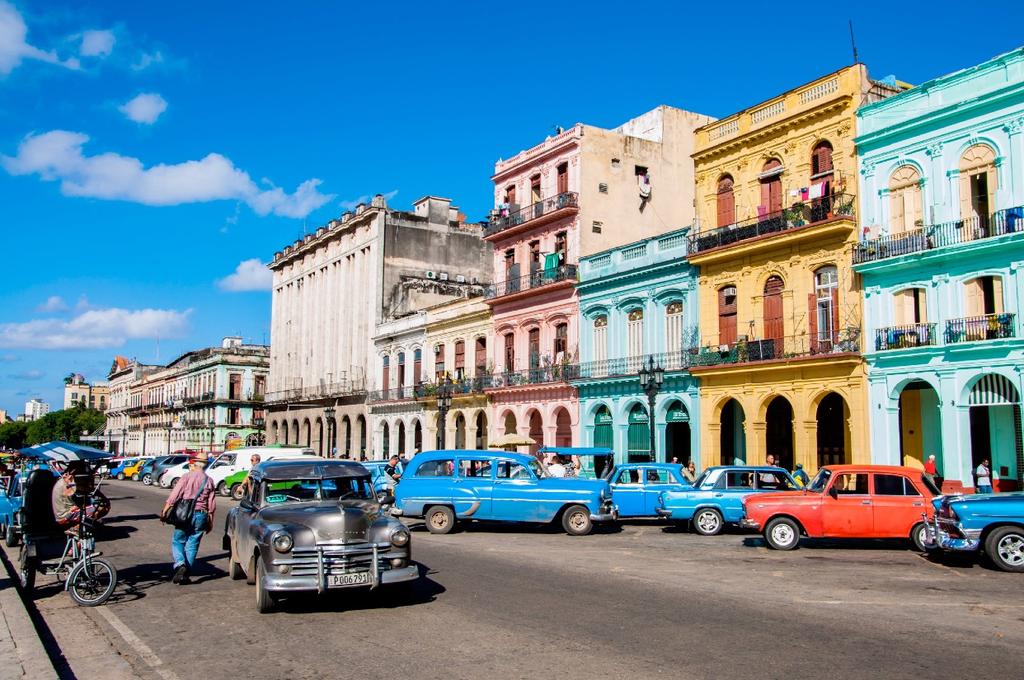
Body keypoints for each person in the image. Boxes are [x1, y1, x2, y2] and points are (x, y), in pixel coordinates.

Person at [162, 451, 216, 585]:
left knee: (178, 540)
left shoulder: (186, 477)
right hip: (201, 514)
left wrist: (165, 511)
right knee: (193, 544)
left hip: (184, 514)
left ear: (194, 463)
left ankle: (180, 564)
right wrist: (210, 522)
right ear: (205, 465)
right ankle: (185, 576)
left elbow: (175, 495)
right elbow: (211, 504)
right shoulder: (209, 480)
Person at [52, 461, 109, 530]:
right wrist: (103, 498)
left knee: (87, 506)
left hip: (61, 514)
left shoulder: (63, 479)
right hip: (65, 515)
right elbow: (88, 489)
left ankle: (83, 524)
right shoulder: (70, 481)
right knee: (102, 508)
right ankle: (76, 529)